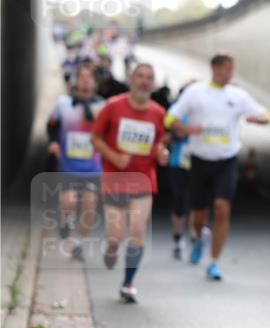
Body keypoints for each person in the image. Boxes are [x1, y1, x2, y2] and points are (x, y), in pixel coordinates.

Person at [164, 54, 270, 281]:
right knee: (199, 215)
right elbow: (168, 118)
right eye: (225, 69)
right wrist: (185, 128)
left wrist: (258, 119)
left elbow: (265, 115)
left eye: (232, 69)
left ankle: (213, 262)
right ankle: (199, 234)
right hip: (200, 160)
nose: (229, 73)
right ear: (214, 68)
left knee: (222, 208)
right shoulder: (195, 92)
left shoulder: (237, 95)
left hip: (226, 160)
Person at [89, 63, 169, 303]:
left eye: (149, 77)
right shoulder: (113, 106)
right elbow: (95, 138)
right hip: (114, 178)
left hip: (144, 180)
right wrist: (114, 157)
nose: (144, 81)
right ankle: (111, 249)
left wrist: (162, 153)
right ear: (131, 79)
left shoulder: (158, 112)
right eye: (140, 76)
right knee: (116, 236)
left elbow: (160, 142)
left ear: (153, 83)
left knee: (136, 231)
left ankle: (128, 283)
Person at [46, 64, 105, 261]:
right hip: (68, 164)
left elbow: (110, 133)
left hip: (92, 166)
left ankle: (78, 243)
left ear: (96, 82)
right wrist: (53, 141)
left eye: (90, 77)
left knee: (89, 209)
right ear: (76, 81)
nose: (86, 80)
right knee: (69, 201)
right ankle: (65, 220)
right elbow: (51, 125)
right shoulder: (63, 103)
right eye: (82, 77)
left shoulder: (103, 106)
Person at [165, 81, 197, 259]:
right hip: (178, 162)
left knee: (197, 202)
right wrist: (179, 133)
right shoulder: (176, 111)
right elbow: (170, 131)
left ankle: (194, 237)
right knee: (180, 203)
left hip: (199, 162)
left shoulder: (205, 112)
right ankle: (177, 238)